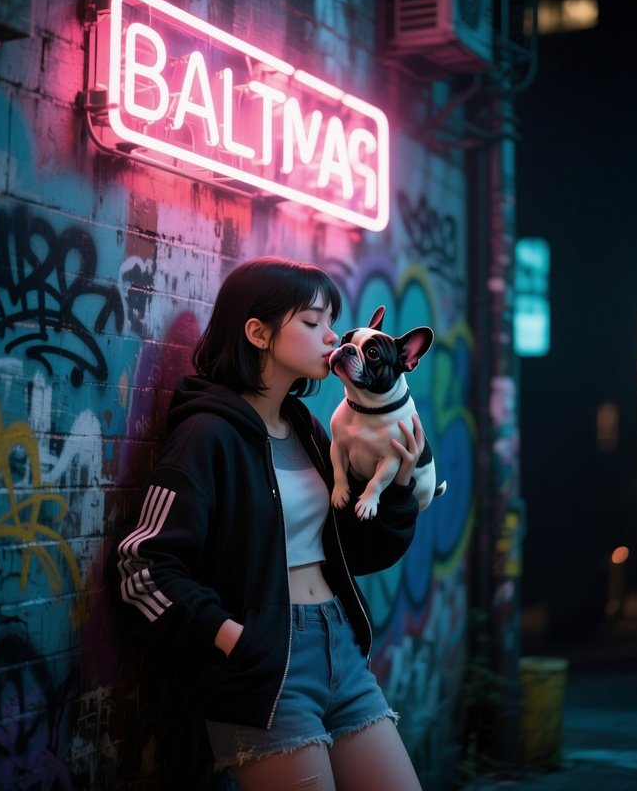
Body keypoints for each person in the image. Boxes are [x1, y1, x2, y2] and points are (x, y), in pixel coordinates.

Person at [115, 256, 425, 790]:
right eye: (312, 323)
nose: (332, 337)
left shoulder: (305, 428)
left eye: (331, 321)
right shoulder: (208, 435)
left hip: (341, 651)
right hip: (265, 670)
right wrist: (234, 638)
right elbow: (142, 569)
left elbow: (358, 551)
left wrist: (397, 493)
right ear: (258, 332)